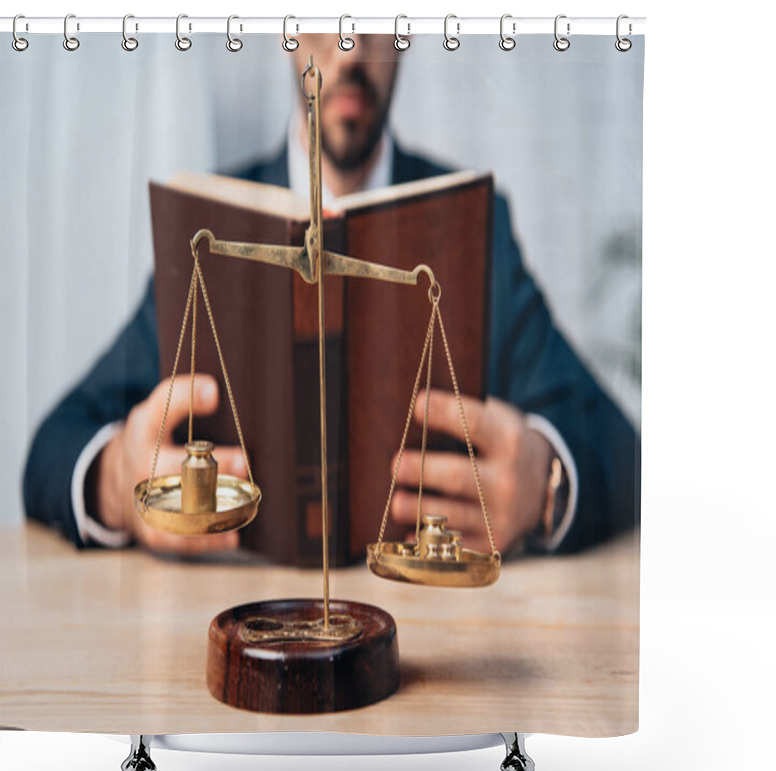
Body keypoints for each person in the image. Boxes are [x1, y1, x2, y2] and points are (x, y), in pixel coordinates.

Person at [23, 35, 639, 558]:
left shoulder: (472, 226)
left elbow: (620, 447)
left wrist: (543, 485)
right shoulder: (212, 229)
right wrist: (114, 484)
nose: (351, 47)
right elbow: (51, 449)